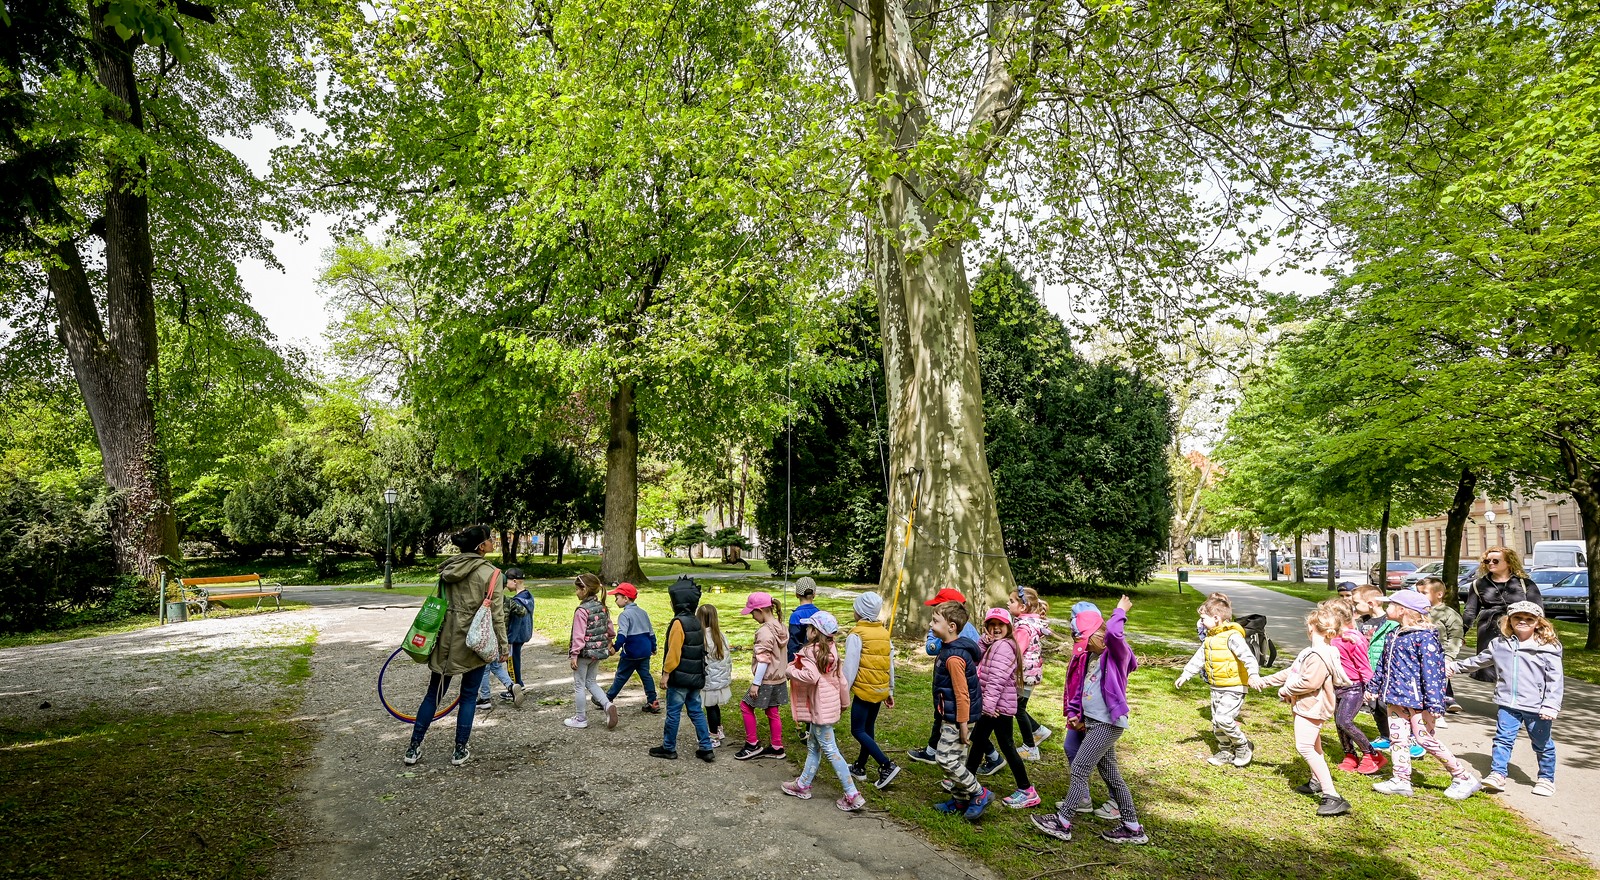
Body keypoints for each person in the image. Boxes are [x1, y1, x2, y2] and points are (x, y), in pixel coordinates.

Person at [1032, 596, 1148, 845]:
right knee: (1112, 777)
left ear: (1099, 635)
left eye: (1086, 641)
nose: (1083, 647)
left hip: (1108, 724)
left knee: (1081, 767)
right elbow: (1081, 691)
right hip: (1094, 723)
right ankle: (1132, 827)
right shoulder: (1091, 657)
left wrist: (1120, 610)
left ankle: (1063, 822)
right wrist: (1076, 714)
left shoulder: (1117, 654)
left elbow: (1116, 634)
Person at [403, 525, 508, 767]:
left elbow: (437, 603)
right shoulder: (492, 575)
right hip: (474, 642)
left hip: (445, 642)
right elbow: (497, 615)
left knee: (434, 694)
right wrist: (503, 647)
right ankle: (459, 750)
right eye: (490, 540)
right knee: (469, 696)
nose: (492, 542)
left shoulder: (447, 570)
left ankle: (413, 748)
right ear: (481, 546)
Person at [1367, 590, 1481, 799]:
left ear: (1402, 610)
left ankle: (1463, 777)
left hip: (1419, 701)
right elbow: (1383, 665)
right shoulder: (1394, 634)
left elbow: (1433, 673)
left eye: (1390, 605)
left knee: (1424, 738)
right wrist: (1373, 687)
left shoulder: (1425, 638)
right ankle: (1401, 779)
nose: (1386, 608)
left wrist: (1436, 704)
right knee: (1398, 739)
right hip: (1394, 698)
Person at [1448, 601, 1563, 797]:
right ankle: (1498, 774)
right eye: (1518, 617)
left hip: (1537, 706)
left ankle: (1546, 778)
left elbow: (1555, 680)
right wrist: (1454, 667)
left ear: (1538, 622)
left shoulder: (1547, 647)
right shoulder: (1500, 644)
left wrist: (1551, 705)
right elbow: (1479, 661)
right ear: (1509, 620)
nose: (1523, 622)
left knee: (1542, 743)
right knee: (1503, 739)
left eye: (1529, 619)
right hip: (1507, 703)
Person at [1260, 603, 1353, 817]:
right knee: (1315, 746)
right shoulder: (1311, 652)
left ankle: (1333, 796)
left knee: (1304, 747)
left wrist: (1286, 690)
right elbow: (1292, 671)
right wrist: (1265, 681)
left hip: (1312, 707)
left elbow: (1309, 682)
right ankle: (1316, 781)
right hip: (1306, 705)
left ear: (1312, 627)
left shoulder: (1318, 655)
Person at [907, 587, 1002, 773]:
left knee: (960, 724)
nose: (932, 619)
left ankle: (982, 768)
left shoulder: (954, 641)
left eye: (936, 611)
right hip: (958, 686)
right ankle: (936, 752)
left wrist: (936, 639)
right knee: (949, 719)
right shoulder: (965, 629)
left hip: (959, 686)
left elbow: (932, 649)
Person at [783, 610, 868, 811]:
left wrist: (790, 670)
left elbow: (811, 677)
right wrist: (844, 702)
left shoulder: (811, 652)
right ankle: (802, 785)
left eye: (809, 627)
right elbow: (841, 679)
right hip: (826, 706)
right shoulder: (831, 650)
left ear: (815, 632)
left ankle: (852, 794)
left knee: (831, 751)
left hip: (820, 708)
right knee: (814, 746)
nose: (806, 630)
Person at [1174, 592, 1263, 767]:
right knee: (1217, 723)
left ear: (1216, 618)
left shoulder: (1232, 637)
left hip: (1234, 687)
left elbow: (1248, 657)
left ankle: (1243, 746)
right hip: (1216, 687)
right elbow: (1199, 658)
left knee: (1224, 718)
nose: (1200, 623)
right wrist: (1186, 674)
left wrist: (1253, 674)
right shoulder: (1210, 638)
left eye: (1203, 619)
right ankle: (1226, 751)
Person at [965, 608, 1037, 808]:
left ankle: (1027, 789)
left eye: (1000, 625)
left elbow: (997, 680)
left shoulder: (1004, 647)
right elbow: (976, 658)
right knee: (979, 740)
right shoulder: (996, 644)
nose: (996, 629)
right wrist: (984, 642)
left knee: (1003, 744)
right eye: (992, 625)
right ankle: (967, 779)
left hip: (997, 707)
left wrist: (986, 707)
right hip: (994, 704)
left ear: (1008, 627)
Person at [928, 602, 993, 820]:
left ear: (952, 626)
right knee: (954, 759)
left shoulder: (954, 658)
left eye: (936, 621)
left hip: (958, 718)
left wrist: (963, 726)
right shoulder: (949, 648)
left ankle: (978, 793)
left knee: (946, 759)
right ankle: (960, 800)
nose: (930, 624)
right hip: (953, 715)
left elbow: (962, 694)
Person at [650, 576, 715, 762]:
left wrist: (666, 673)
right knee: (696, 711)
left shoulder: (679, 623)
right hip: (695, 677)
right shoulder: (696, 622)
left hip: (679, 679)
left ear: (678, 602)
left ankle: (668, 747)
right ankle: (706, 747)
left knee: (673, 713)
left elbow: (674, 652)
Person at [843, 591, 900, 790]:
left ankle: (886, 764)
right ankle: (859, 766)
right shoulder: (884, 634)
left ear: (859, 612)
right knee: (868, 729)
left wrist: (843, 692)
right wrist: (890, 689)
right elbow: (890, 664)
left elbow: (850, 667)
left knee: (857, 730)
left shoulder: (856, 635)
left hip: (864, 691)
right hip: (880, 690)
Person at [1464, 546, 1544, 683]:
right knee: (1491, 670)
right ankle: (1501, 701)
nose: (1490, 564)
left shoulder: (1525, 584)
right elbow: (1470, 611)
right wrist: (1460, 634)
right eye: (1487, 561)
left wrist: (1541, 633)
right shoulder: (1478, 584)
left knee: (1519, 669)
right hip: (1489, 630)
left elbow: (1538, 611)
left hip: (1519, 629)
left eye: (1495, 561)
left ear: (1508, 562)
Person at [1330, 599, 1384, 775]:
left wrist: (1371, 689)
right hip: (1336, 687)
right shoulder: (1330, 637)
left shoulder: (1354, 639)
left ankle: (1372, 754)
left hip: (1353, 687)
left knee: (1344, 721)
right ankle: (1350, 755)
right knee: (1339, 723)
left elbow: (1364, 667)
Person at [734, 591, 789, 760]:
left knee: (746, 706)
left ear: (760, 610)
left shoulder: (765, 631)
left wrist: (756, 683)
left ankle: (752, 744)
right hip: (779, 678)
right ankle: (777, 747)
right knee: (773, 711)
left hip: (765, 679)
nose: (752, 616)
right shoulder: (780, 626)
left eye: (752, 612)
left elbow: (763, 660)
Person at [564, 573, 618, 730]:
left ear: (584, 589)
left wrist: (574, 655)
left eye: (577, 589)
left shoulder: (582, 610)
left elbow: (578, 635)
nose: (576, 593)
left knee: (579, 685)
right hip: (598, 652)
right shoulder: (602, 607)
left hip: (584, 654)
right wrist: (610, 642)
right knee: (591, 681)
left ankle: (581, 718)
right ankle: (607, 705)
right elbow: (609, 628)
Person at [1353, 585, 1402, 752]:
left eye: (1356, 603)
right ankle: (1385, 736)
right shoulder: (1361, 622)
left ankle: (1401, 736)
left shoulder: (1390, 623)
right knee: (1374, 705)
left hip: (1384, 671)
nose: (1354, 606)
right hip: (1368, 671)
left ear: (1371, 603)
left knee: (1385, 705)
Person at [1008, 587, 1054, 760]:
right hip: (1029, 674)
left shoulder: (1023, 628)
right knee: (1018, 707)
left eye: (1012, 601)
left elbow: (1016, 652)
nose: (1008, 603)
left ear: (1023, 607)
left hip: (1023, 675)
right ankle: (1038, 731)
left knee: (1017, 708)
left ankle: (1030, 748)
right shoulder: (1029, 623)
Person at [605, 583, 661, 713]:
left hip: (631, 652)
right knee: (646, 676)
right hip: (645, 650)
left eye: (617, 597)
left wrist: (615, 647)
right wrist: (653, 646)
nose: (615, 600)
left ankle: (607, 698)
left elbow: (622, 634)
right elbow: (651, 632)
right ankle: (653, 701)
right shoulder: (643, 612)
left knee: (621, 676)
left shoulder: (624, 615)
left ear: (625, 598)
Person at [1419, 576, 1465, 716]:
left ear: (1439, 594)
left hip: (1439, 656)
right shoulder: (1417, 611)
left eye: (1424, 593)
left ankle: (1438, 713)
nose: (1420, 596)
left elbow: (1455, 637)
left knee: (1436, 686)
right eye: (1418, 592)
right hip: (1419, 655)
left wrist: (1449, 657)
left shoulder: (1448, 614)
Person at [698, 603, 734, 743]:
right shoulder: (720, 636)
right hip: (719, 680)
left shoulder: (702, 638)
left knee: (710, 707)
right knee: (714, 706)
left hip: (708, 680)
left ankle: (713, 736)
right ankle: (718, 729)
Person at [505, 568, 534, 687]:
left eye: (507, 582)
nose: (506, 586)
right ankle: (517, 684)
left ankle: (517, 686)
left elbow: (515, 623)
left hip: (515, 636)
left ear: (515, 581)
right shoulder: (528, 596)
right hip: (525, 633)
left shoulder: (517, 602)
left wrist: (509, 640)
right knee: (515, 659)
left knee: (512, 662)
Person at [788, 577, 820, 662]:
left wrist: (790, 663)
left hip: (800, 660)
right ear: (814, 594)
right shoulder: (819, 614)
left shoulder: (796, 616)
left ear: (797, 594)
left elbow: (793, 642)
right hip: (817, 658)